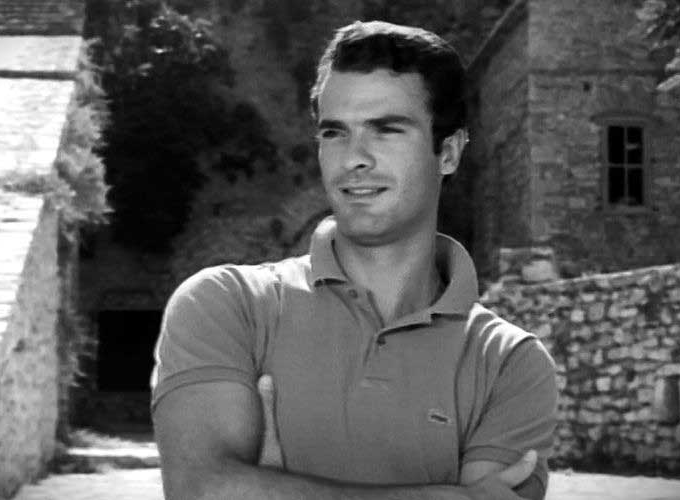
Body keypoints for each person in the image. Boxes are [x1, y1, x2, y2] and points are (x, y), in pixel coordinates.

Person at [150, 20, 558, 500]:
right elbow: (202, 489)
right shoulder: (226, 304)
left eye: (386, 130)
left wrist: (268, 487)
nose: (353, 158)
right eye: (335, 132)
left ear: (448, 152)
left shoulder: (510, 363)